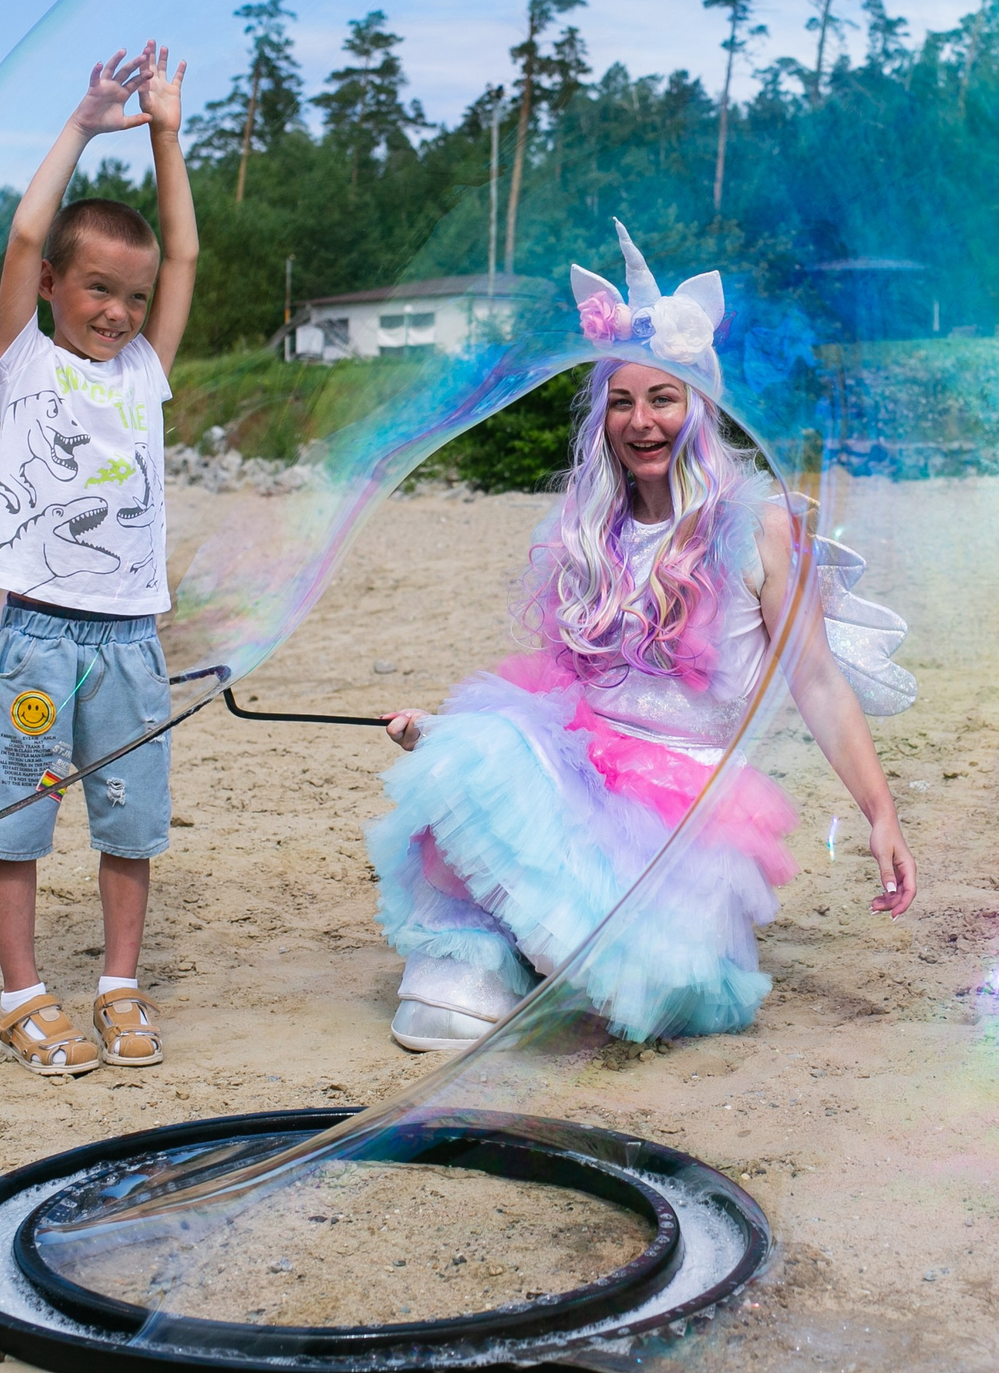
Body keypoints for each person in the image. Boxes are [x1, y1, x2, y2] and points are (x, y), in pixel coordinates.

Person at [371, 223, 918, 1053]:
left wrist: (880, 812)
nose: (640, 421)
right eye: (621, 401)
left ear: (702, 406)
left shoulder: (758, 530)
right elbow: (566, 689)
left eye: (663, 398)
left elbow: (814, 681)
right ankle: (483, 960)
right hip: (585, 758)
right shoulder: (589, 532)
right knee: (469, 758)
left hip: (689, 805)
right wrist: (452, 733)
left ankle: (535, 955)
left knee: (643, 979)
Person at [0, 42, 196, 1077]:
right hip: (38, 637)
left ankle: (116, 983)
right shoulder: (24, 362)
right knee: (19, 810)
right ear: (55, 286)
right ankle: (22, 992)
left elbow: (182, 256)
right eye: (97, 288)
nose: (117, 310)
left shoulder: (145, 371)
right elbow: (25, 228)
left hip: (131, 640)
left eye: (131, 297)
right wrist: (85, 121)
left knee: (130, 817)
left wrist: (165, 133)